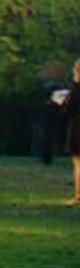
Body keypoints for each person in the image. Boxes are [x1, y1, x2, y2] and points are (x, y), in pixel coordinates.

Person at [59, 59, 80, 205]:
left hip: (78, 128)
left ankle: (78, 196)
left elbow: (70, 109)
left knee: (78, 163)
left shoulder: (77, 89)